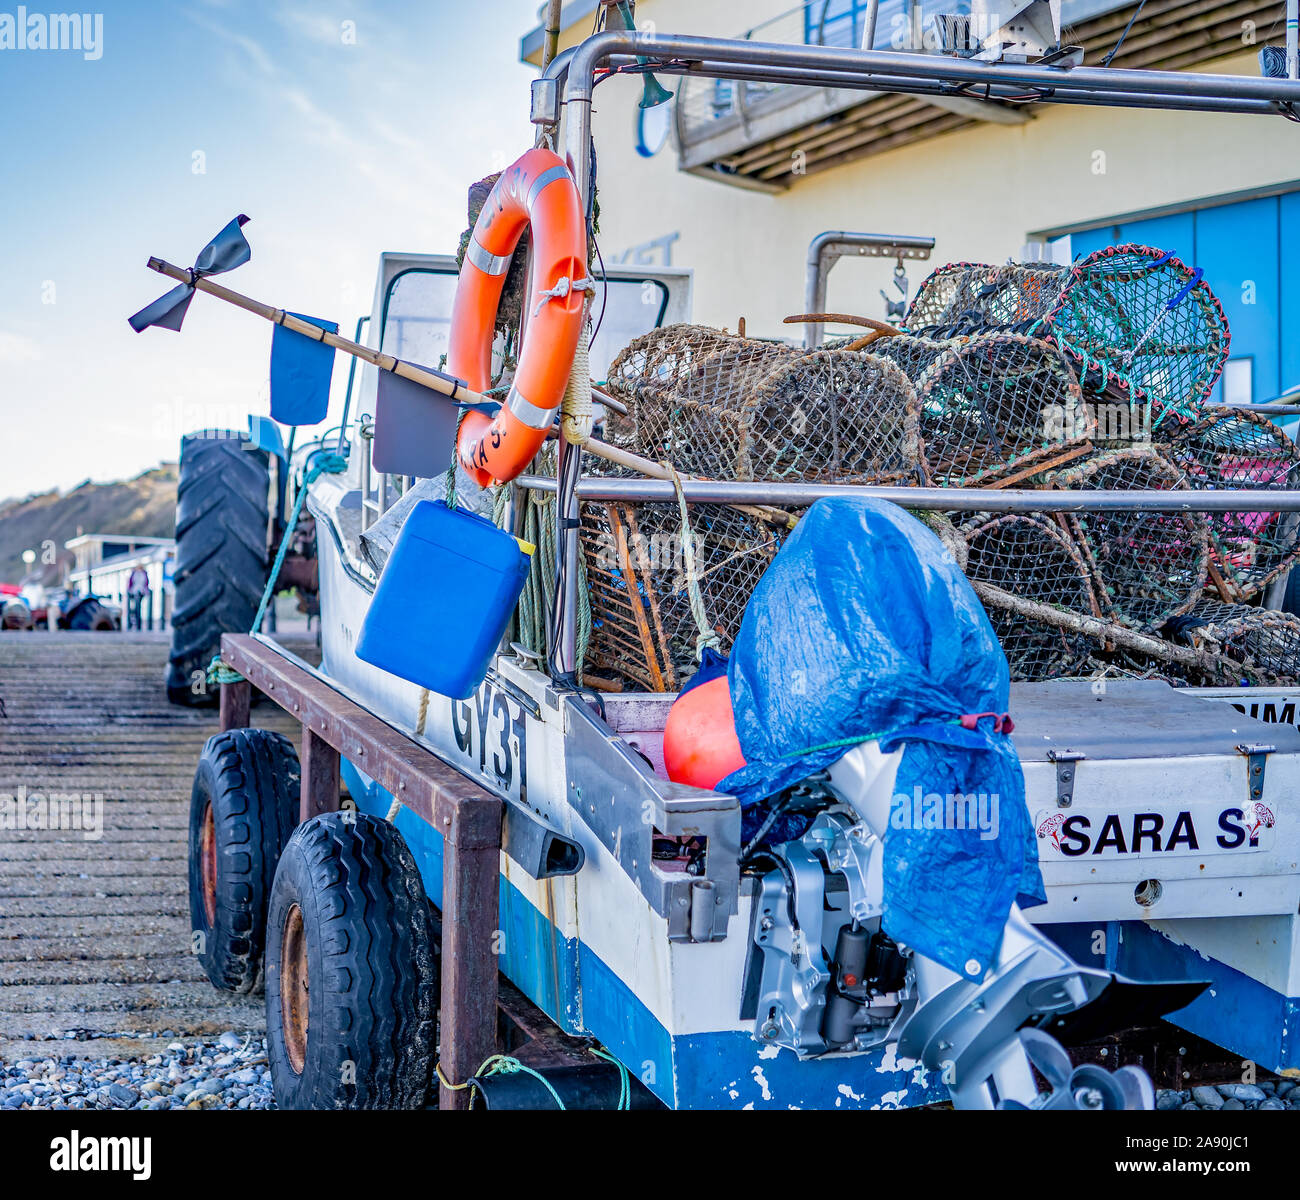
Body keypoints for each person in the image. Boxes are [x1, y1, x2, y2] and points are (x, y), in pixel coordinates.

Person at [126, 566, 150, 631]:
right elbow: (130, 583)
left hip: (141, 592)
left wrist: (146, 591)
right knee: (133, 608)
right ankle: (133, 622)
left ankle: (138, 624)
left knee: (138, 608)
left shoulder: (144, 574)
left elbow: (146, 583)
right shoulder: (134, 574)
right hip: (133, 592)